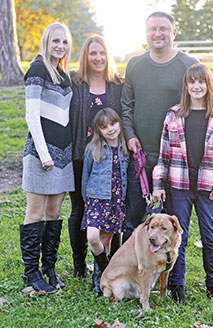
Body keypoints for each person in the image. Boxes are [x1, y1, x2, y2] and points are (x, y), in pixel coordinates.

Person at [152, 63, 213, 304]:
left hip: (209, 189)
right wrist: (158, 184)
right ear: (186, 86)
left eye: (202, 82)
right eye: (192, 82)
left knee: (210, 238)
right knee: (180, 238)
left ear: (209, 85)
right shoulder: (174, 115)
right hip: (179, 186)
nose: (197, 86)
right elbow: (163, 154)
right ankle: (177, 287)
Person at [121, 11, 199, 242]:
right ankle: (129, 272)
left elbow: (199, 109)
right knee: (133, 218)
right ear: (146, 33)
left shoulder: (189, 65)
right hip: (141, 156)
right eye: (152, 29)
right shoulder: (135, 65)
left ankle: (173, 276)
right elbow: (126, 105)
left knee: (173, 223)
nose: (157, 33)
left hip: (177, 159)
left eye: (163, 29)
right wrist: (129, 135)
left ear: (173, 32)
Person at [20, 22, 74, 293]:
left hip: (63, 156)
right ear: (46, 42)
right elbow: (31, 115)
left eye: (64, 42)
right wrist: (44, 154)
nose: (60, 46)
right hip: (42, 155)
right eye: (55, 41)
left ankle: (49, 269)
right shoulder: (37, 69)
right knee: (35, 213)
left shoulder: (63, 73)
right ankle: (31, 274)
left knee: (54, 213)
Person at [69, 35, 124, 290]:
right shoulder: (76, 83)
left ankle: (112, 263)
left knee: (114, 210)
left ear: (107, 55)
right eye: (92, 53)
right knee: (81, 210)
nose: (98, 58)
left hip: (112, 156)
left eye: (102, 53)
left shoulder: (117, 84)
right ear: (85, 57)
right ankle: (81, 264)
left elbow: (125, 115)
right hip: (83, 155)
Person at [81, 108, 129, 292]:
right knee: (93, 237)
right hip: (96, 200)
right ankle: (105, 271)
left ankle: (100, 278)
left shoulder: (125, 149)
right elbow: (86, 177)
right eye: (104, 127)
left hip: (116, 201)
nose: (110, 129)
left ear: (119, 124)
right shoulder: (94, 149)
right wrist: (88, 200)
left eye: (113, 124)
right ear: (98, 130)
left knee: (107, 240)